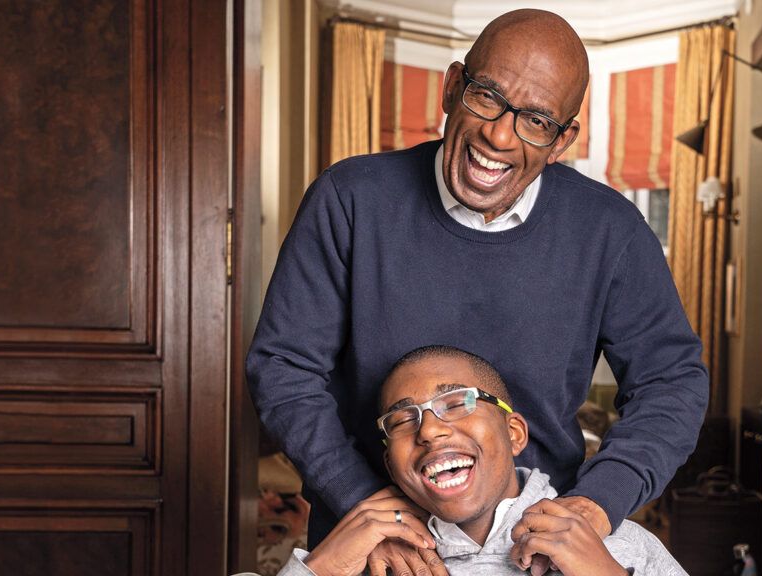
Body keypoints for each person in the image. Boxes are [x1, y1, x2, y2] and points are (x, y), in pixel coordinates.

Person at [247, 8, 708, 575]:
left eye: (536, 120)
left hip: (537, 555)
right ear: (451, 88)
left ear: (562, 139)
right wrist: (361, 502)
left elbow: (672, 381)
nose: (498, 134)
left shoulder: (611, 231)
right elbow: (283, 365)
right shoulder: (349, 199)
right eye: (486, 96)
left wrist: (600, 501)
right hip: (377, 546)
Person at [274, 346, 687, 575]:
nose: (429, 430)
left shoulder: (620, 548)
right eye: (403, 419)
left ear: (514, 433)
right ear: (390, 464)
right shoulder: (368, 561)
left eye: (456, 403)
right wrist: (321, 569)